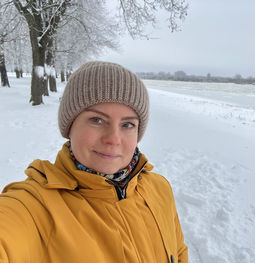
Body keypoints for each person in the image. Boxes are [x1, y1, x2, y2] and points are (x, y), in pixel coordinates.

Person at [0, 61, 188, 263]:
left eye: (127, 124)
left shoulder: (159, 189)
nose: (114, 139)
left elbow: (178, 253)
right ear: (70, 126)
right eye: (97, 120)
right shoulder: (35, 208)